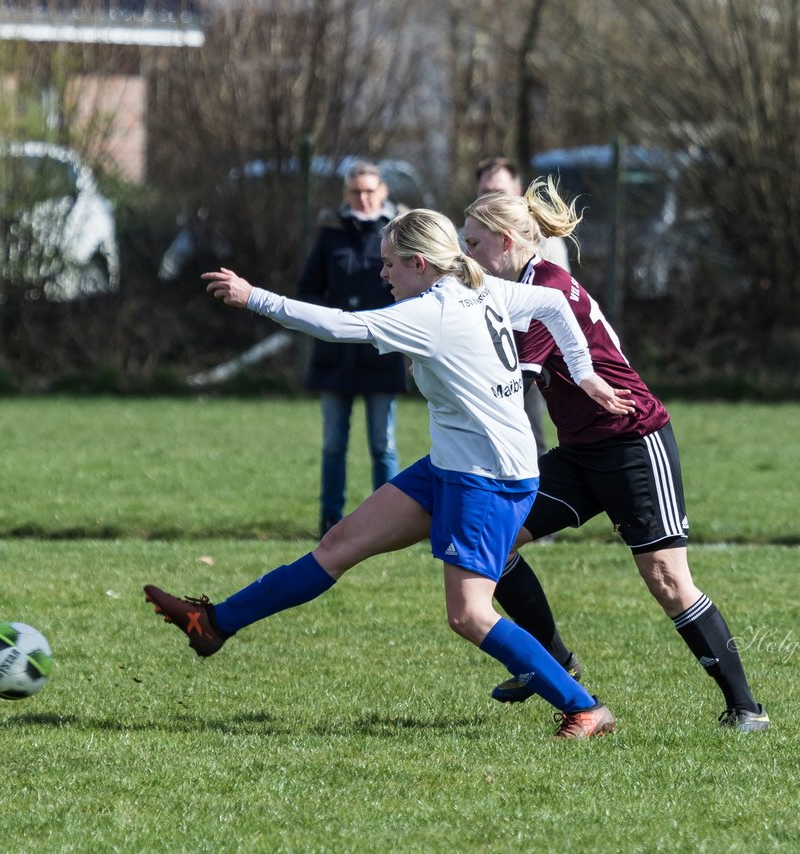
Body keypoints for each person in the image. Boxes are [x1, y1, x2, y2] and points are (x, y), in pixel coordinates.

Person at [144, 208, 636, 739]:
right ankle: (212, 625)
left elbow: (338, 325)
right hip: (453, 463)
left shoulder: (435, 311)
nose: (382, 275)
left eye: (389, 265)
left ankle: (584, 707)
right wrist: (583, 374)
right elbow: (556, 304)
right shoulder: (483, 288)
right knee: (337, 545)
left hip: (489, 476)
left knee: (469, 615)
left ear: (419, 263)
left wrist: (254, 297)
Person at [462, 178, 770, 731]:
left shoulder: (547, 287)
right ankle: (554, 663)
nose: (468, 256)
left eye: (475, 244)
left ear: (507, 242)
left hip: (632, 440)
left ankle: (746, 707)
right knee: (496, 538)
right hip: (581, 451)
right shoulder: (517, 288)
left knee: (666, 577)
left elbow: (514, 378)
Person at [296, 161, 408, 537]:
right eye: (355, 191)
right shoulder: (330, 237)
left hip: (381, 352)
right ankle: (330, 520)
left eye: (369, 190)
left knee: (383, 444)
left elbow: (413, 289)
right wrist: (331, 319)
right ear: (345, 195)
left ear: (383, 192)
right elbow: (307, 290)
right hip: (336, 356)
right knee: (333, 444)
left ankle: (390, 522)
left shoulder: (398, 234)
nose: (363, 198)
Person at [474, 157, 565, 460]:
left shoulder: (542, 239)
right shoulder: (472, 238)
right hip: (482, 352)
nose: (491, 198)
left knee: (527, 433)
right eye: (485, 191)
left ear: (517, 190)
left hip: (527, 353)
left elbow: (556, 301)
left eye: (498, 191)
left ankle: (533, 499)